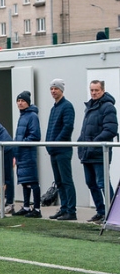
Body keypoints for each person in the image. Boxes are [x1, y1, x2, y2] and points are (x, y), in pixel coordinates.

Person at [78, 80, 118, 223]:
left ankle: (113, 214)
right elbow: (85, 131)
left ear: (103, 90)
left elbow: (111, 130)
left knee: (103, 183)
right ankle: (101, 212)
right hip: (87, 153)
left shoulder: (108, 107)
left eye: (97, 90)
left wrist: (93, 143)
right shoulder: (89, 107)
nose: (94, 93)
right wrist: (80, 145)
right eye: (92, 90)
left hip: (100, 154)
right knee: (91, 183)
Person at [46, 79, 77, 221]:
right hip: (54, 150)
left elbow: (67, 127)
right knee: (59, 181)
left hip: (63, 150)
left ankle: (71, 210)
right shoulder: (54, 108)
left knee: (66, 181)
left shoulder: (67, 106)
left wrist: (56, 143)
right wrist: (47, 144)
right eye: (51, 89)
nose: (53, 91)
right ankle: (64, 208)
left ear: (61, 90)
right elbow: (50, 129)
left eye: (55, 89)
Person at [12, 91, 42, 218]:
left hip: (28, 152)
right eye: (18, 101)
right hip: (21, 152)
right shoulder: (22, 116)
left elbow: (35, 136)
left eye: (22, 101)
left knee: (32, 180)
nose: (20, 103)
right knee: (24, 180)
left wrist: (21, 143)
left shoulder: (32, 116)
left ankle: (37, 208)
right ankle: (25, 206)